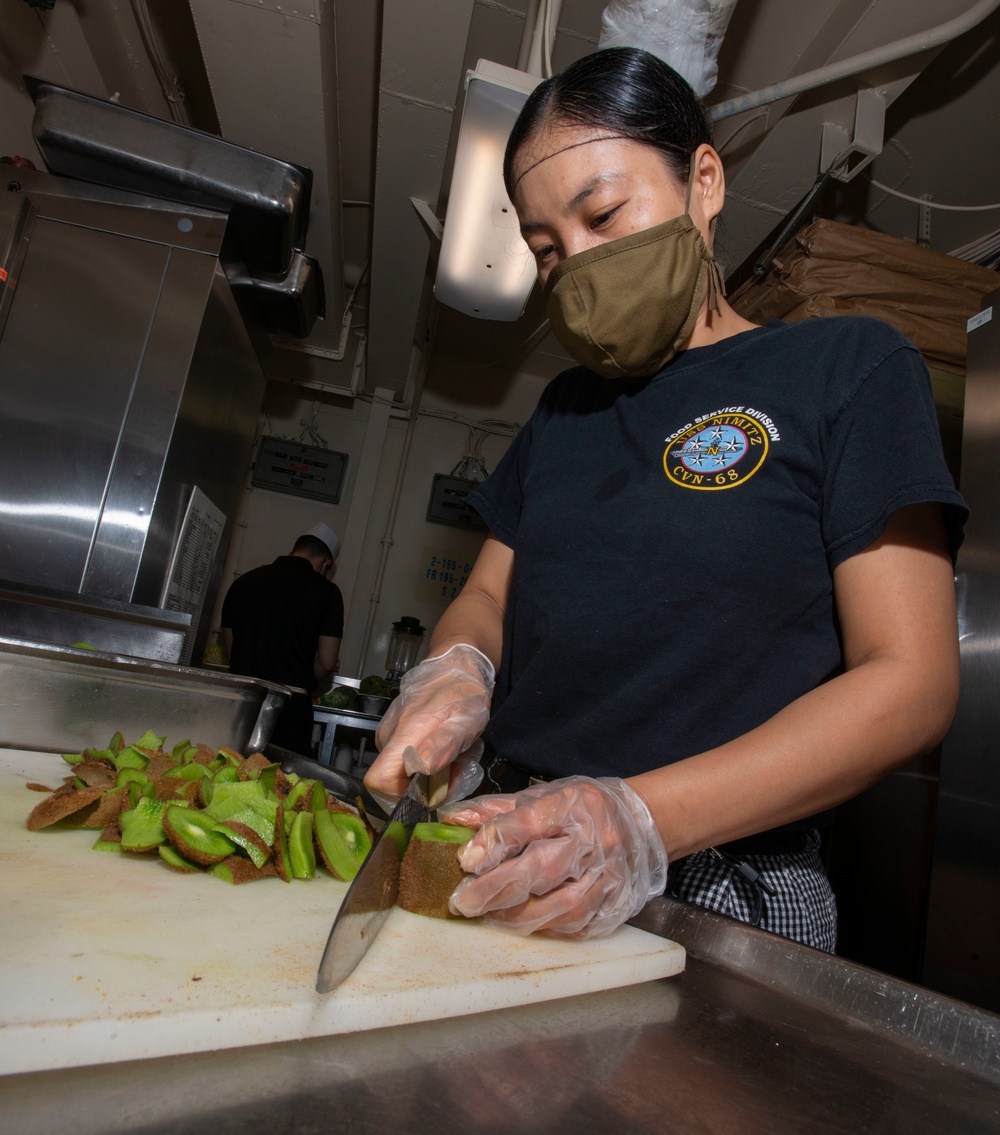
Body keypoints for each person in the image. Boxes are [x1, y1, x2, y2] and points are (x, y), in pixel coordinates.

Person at [365, 47, 968, 951]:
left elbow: (910, 680)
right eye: (545, 249)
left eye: (604, 213)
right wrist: (458, 669)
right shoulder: (564, 409)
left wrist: (638, 817)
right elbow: (488, 595)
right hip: (509, 841)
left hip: (724, 879)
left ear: (705, 183)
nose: (577, 265)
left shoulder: (848, 369)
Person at [221, 528, 344, 754]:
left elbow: (231, 651)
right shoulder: (328, 592)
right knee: (281, 784)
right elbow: (327, 662)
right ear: (325, 564)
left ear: (292, 552)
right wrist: (300, 678)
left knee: (231, 773)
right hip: (289, 711)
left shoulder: (242, 584)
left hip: (242, 705)